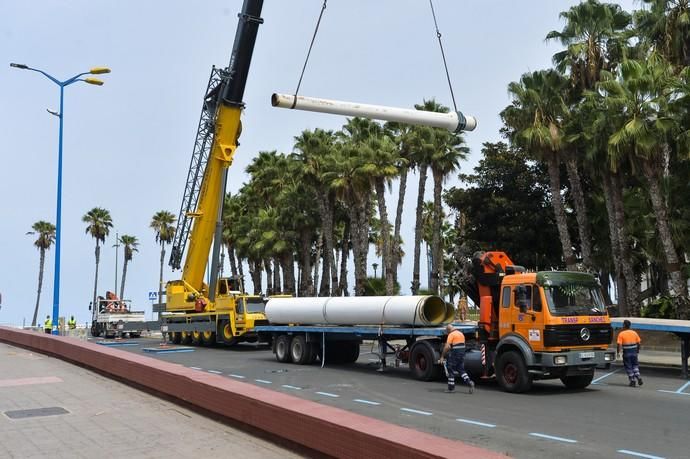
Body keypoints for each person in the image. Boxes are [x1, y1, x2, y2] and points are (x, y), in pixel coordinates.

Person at [439, 324, 475, 393]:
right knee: (460, 369)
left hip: (455, 353)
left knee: (450, 368)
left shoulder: (451, 334)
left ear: (448, 330)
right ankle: (469, 382)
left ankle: (451, 388)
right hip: (462, 354)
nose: (447, 333)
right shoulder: (460, 333)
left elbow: (447, 347)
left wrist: (442, 356)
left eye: (447, 332)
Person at [617, 319, 643, 387]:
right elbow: (639, 343)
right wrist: (637, 350)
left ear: (624, 325)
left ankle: (632, 380)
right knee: (635, 365)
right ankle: (638, 377)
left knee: (628, 367)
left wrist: (618, 352)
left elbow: (619, 344)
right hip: (634, 352)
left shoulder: (621, 334)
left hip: (626, 353)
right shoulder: (634, 333)